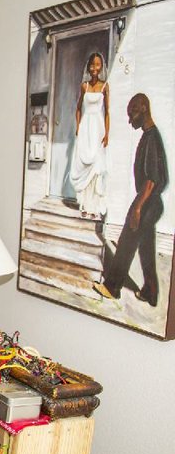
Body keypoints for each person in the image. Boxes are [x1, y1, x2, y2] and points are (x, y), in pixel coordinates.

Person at [93, 93, 168, 307]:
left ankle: (112, 287)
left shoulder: (151, 138)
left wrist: (137, 208)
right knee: (145, 246)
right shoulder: (149, 135)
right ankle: (151, 292)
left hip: (147, 201)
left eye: (132, 114)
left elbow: (152, 179)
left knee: (127, 241)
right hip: (151, 202)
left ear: (143, 108)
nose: (130, 120)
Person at [70, 52, 110, 219]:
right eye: (92, 64)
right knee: (85, 163)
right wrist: (78, 127)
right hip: (86, 127)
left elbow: (107, 112)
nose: (95, 68)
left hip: (98, 128)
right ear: (89, 67)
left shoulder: (105, 86)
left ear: (101, 67)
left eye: (98, 64)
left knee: (96, 165)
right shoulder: (84, 86)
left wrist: (107, 133)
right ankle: (85, 205)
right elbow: (78, 108)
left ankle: (94, 207)